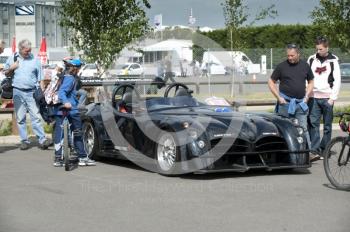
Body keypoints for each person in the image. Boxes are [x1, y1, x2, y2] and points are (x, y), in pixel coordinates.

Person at [268, 44, 314, 163]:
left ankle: (307, 154)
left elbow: (311, 81)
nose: (290, 57)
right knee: (282, 129)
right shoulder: (281, 66)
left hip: (300, 104)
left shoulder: (305, 66)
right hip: (285, 104)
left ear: (298, 54)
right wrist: (278, 97)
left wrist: (307, 96)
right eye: (288, 55)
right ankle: (280, 155)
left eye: (292, 55)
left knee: (303, 129)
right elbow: (271, 81)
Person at [4, 39, 50, 150]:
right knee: (20, 118)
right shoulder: (13, 58)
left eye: (29, 50)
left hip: (32, 92)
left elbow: (41, 78)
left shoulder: (35, 60)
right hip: (17, 91)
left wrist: (42, 91)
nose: (28, 53)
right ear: (20, 49)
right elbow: (6, 73)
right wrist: (12, 67)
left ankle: (42, 140)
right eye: (26, 51)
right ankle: (24, 141)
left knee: (36, 116)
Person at [52, 58, 96, 167]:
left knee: (59, 133)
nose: (80, 69)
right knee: (77, 132)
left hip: (59, 109)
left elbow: (67, 90)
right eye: (79, 67)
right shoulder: (70, 78)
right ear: (75, 68)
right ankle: (82, 157)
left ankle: (58, 159)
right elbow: (62, 91)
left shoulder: (63, 76)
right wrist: (67, 101)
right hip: (70, 108)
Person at [307, 36, 341, 161]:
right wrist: (308, 93)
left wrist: (332, 98)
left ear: (327, 48)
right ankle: (314, 150)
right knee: (313, 124)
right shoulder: (311, 59)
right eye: (317, 49)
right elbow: (307, 77)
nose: (318, 51)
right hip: (314, 97)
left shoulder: (333, 61)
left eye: (320, 49)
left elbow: (337, 81)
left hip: (327, 98)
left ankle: (324, 149)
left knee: (327, 126)